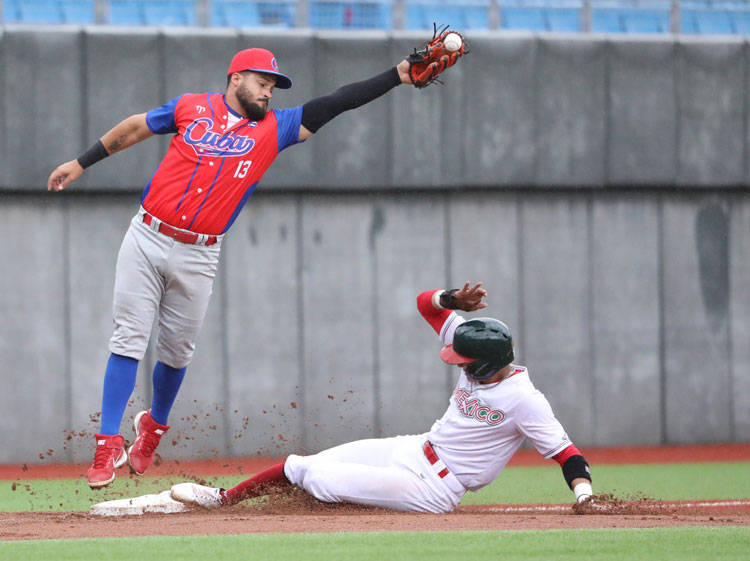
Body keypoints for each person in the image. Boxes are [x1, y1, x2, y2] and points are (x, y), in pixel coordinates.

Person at [47, 41, 467, 489]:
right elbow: (135, 128)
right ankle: (107, 441)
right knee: (128, 338)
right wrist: (80, 162)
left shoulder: (277, 128)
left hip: (200, 251)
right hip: (146, 236)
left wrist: (396, 75)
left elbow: (338, 101)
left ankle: (153, 426)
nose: (268, 92)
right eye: (262, 82)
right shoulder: (191, 108)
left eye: (272, 86)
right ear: (236, 79)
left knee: (176, 353)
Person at [169, 281, 594, 514]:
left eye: (465, 361)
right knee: (304, 462)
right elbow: (425, 305)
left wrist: (584, 497)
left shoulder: (524, 399)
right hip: (411, 449)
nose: (458, 363)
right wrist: (452, 299)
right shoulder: (473, 343)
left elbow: (567, 454)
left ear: (486, 361)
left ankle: (267, 504)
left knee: (312, 475)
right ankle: (223, 500)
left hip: (434, 489)